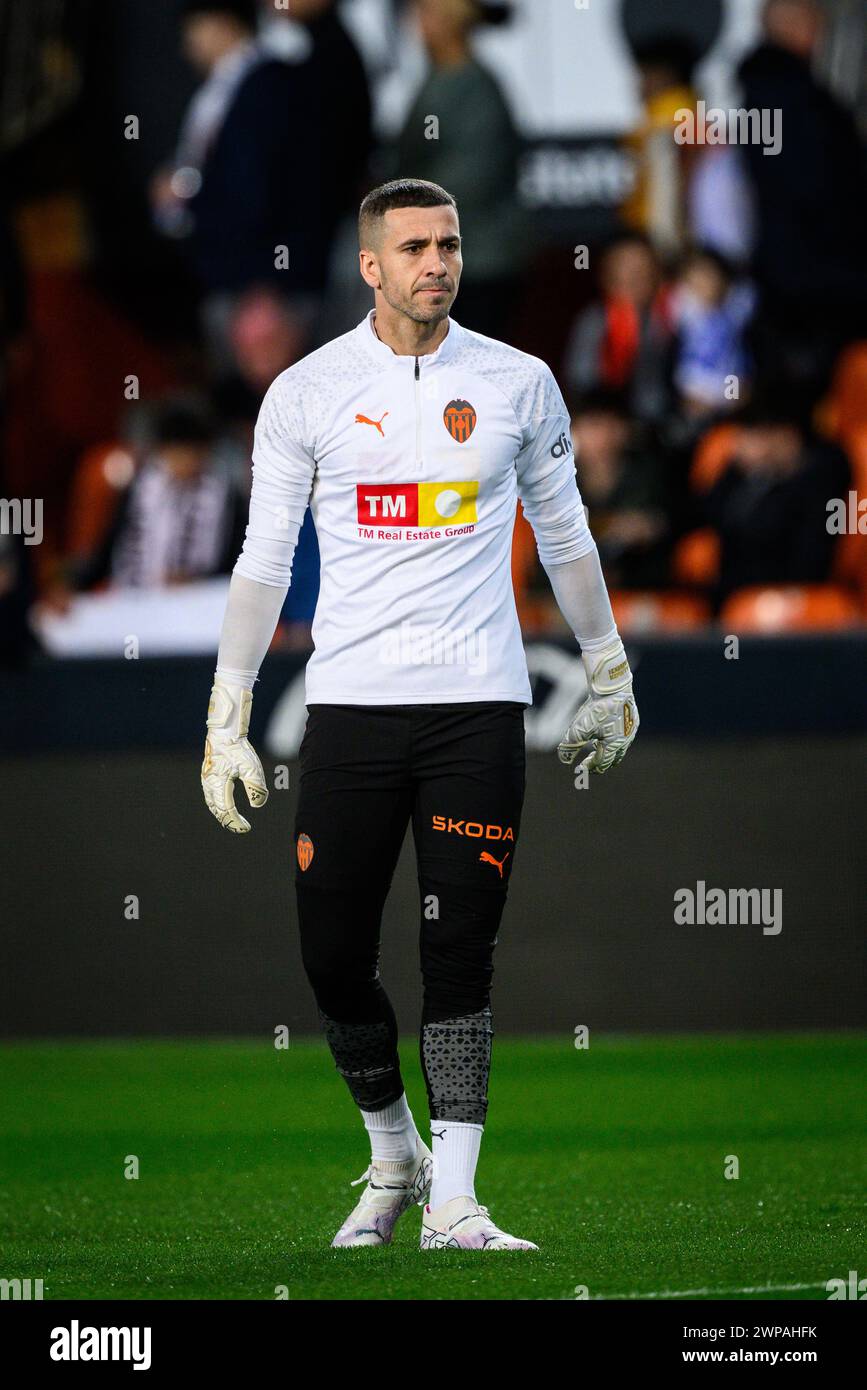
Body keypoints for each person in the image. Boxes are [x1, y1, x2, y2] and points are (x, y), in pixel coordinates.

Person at [200, 178, 639, 1252]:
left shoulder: (520, 383)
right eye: (414, 248)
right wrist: (228, 706)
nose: (437, 262)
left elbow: (567, 532)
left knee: (461, 954)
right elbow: (263, 560)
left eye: (448, 243)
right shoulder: (304, 393)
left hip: (477, 708)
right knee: (334, 953)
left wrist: (610, 667)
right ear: (370, 266)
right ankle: (393, 1153)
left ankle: (456, 1200)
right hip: (350, 710)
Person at [394, 0, 529, 341]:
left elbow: (472, 181)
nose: (417, 25)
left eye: (425, 13)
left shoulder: (477, 89)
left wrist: (402, 207)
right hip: (443, 258)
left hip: (478, 263)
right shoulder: (437, 79)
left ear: (447, 20)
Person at [702, 397, 850, 606]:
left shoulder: (824, 480)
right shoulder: (750, 477)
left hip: (788, 597)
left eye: (751, 435)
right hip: (733, 595)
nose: (738, 446)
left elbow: (809, 564)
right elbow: (707, 515)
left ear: (784, 436)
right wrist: (734, 471)